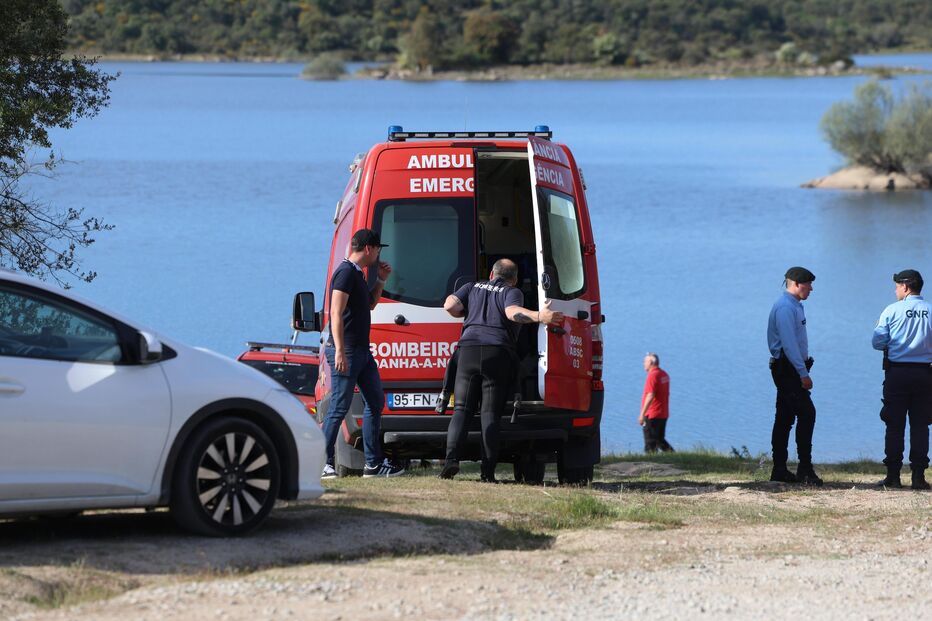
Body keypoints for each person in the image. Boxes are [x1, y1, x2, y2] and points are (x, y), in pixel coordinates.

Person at [439, 258, 563, 482]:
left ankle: (451, 461)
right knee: (490, 414)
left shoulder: (471, 287)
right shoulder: (511, 292)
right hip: (496, 352)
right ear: (513, 279)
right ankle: (487, 473)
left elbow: (450, 306)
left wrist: (462, 306)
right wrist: (539, 316)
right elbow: (512, 313)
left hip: (467, 351)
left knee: (461, 410)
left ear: (491, 274)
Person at [321, 228, 405, 479]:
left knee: (375, 401)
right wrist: (339, 352)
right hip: (345, 350)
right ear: (368, 248)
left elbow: (368, 304)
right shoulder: (345, 273)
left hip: (362, 352)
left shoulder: (357, 274)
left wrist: (380, 280)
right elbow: (335, 313)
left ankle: (373, 464)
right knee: (339, 406)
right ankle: (323, 463)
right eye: (378, 248)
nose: (379, 253)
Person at [871, 269, 932, 490]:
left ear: (905, 287)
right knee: (921, 426)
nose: (895, 290)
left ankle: (893, 476)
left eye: (897, 286)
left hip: (897, 374)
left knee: (894, 425)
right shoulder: (931, 310)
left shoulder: (891, 310)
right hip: (925, 374)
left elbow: (877, 342)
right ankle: (918, 477)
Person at [767, 266, 822, 485]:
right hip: (787, 368)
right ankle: (804, 468)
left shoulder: (795, 306)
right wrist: (803, 373)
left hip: (791, 367)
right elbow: (789, 345)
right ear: (797, 284)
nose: (811, 288)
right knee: (806, 413)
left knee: (785, 417)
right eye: (808, 283)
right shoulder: (785, 308)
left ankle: (780, 468)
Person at [638, 352, 674, 452]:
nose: (643, 363)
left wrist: (642, 414)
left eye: (645, 361)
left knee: (650, 443)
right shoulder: (664, 375)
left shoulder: (652, 376)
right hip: (663, 414)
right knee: (659, 440)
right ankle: (673, 455)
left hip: (652, 414)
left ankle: (650, 464)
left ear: (651, 362)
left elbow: (650, 395)